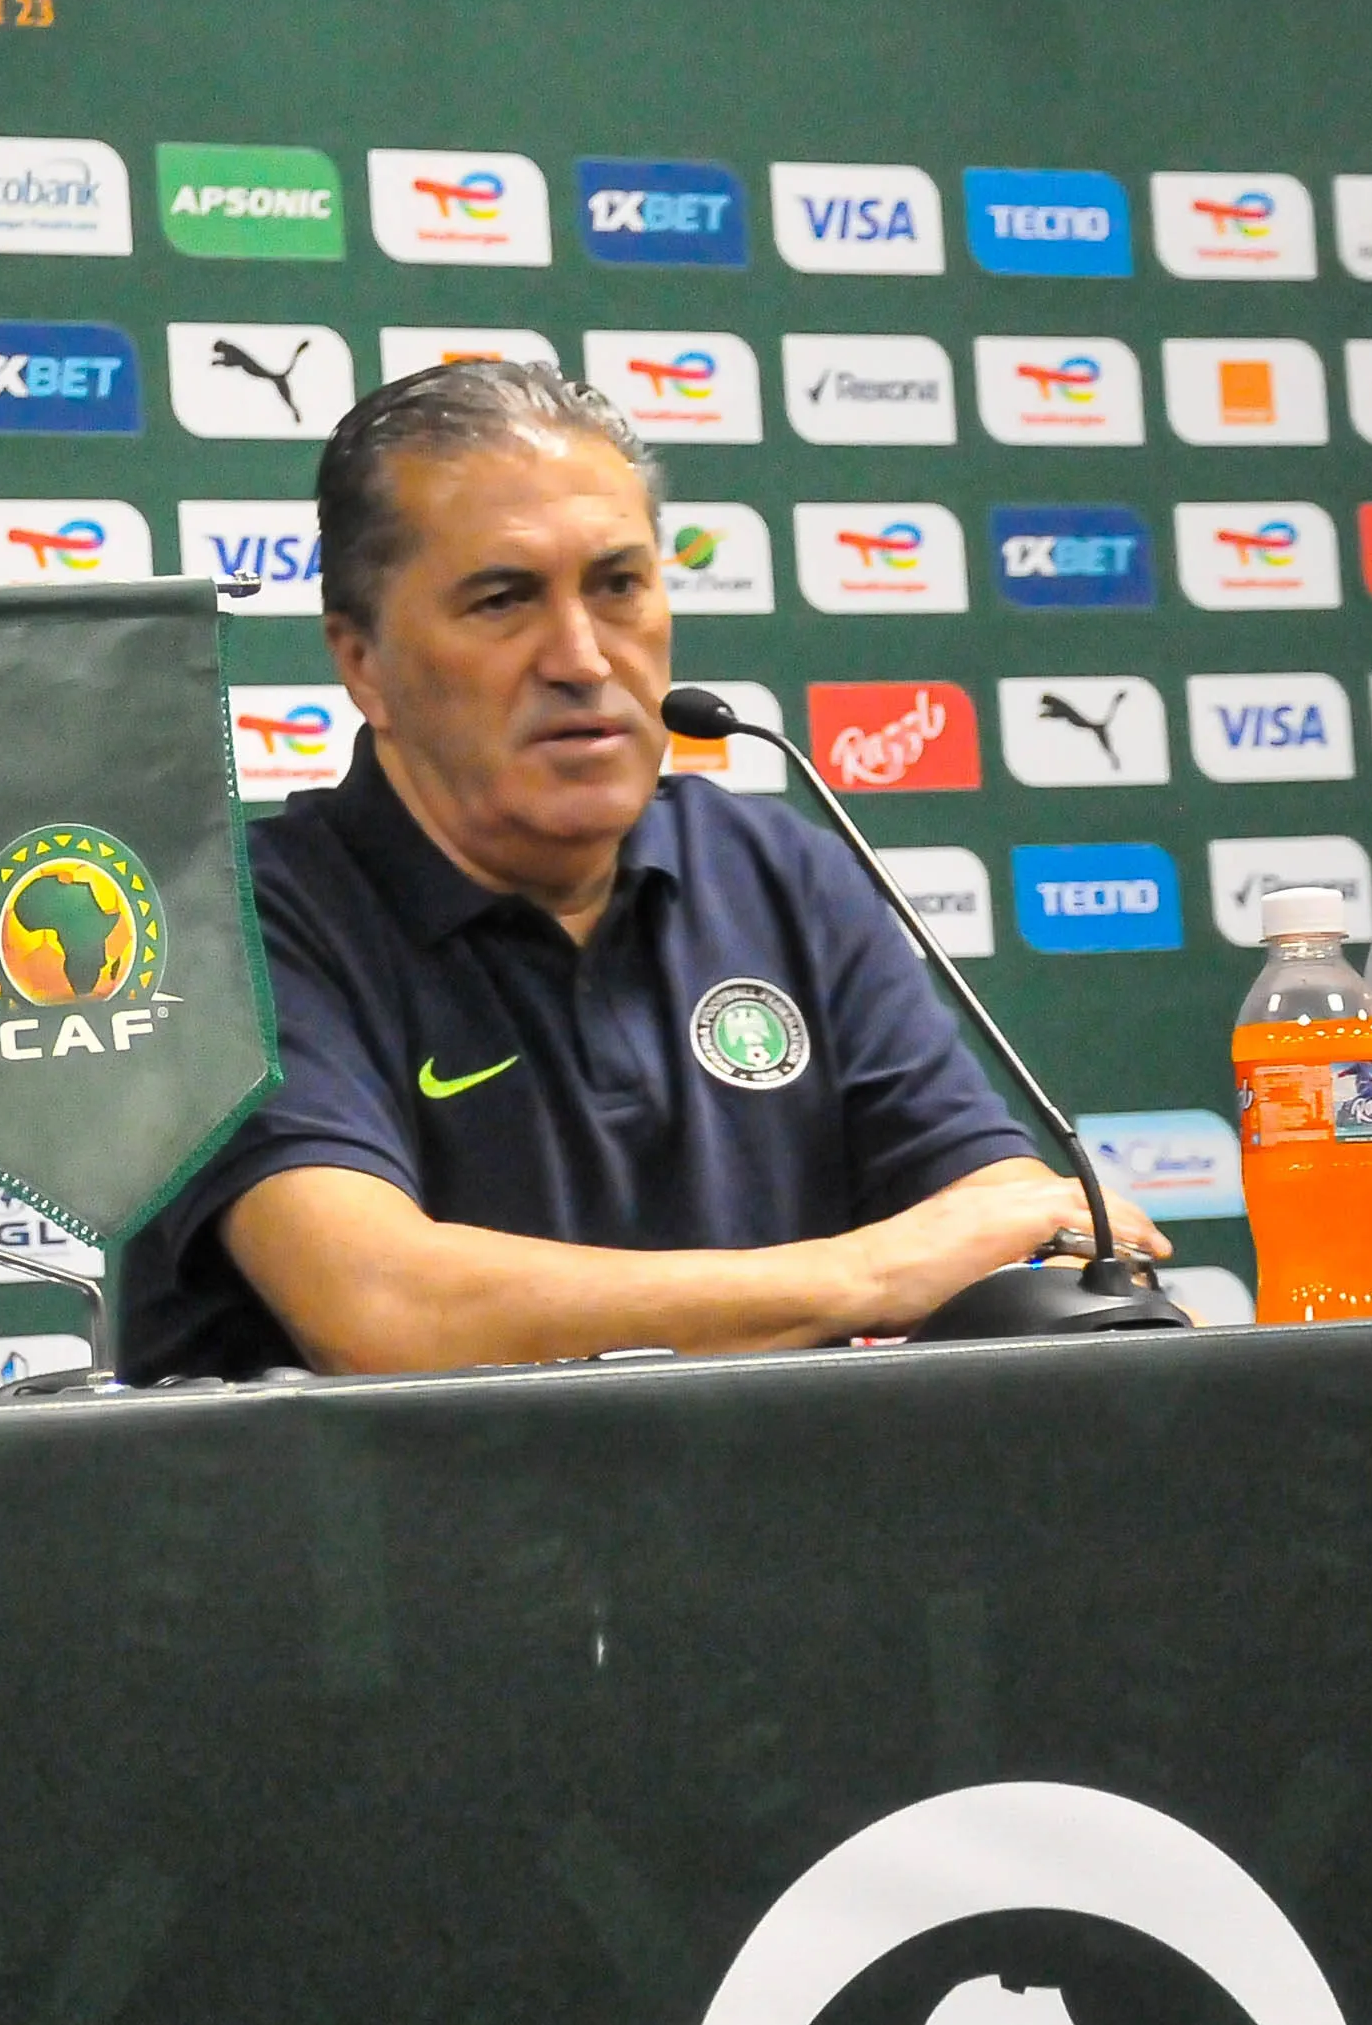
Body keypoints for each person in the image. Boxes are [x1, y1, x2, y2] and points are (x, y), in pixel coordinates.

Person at [115, 361, 1166, 1380]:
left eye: (617, 585)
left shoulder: (776, 871)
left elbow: (1005, 1214)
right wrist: (871, 1273)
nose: (581, 656)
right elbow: (383, 1313)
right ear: (363, 663)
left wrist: (1050, 1252)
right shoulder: (231, 930)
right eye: (502, 600)